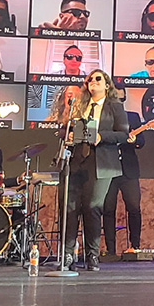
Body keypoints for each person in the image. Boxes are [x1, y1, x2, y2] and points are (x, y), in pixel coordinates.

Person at [60, 70, 128, 271]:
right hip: (76, 161)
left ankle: (92, 255)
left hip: (101, 163)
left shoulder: (115, 106)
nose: (93, 82)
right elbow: (65, 128)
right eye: (90, 79)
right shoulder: (80, 105)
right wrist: (68, 135)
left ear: (107, 85)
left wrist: (101, 136)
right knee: (70, 208)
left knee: (92, 207)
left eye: (98, 79)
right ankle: (67, 256)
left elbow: (123, 134)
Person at [103, 88, 146, 259]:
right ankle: (110, 250)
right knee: (108, 209)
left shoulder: (133, 117)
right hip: (108, 168)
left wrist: (134, 140)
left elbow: (141, 141)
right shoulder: (103, 118)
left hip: (129, 169)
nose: (118, 103)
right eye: (116, 100)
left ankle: (135, 247)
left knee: (134, 207)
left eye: (121, 100)